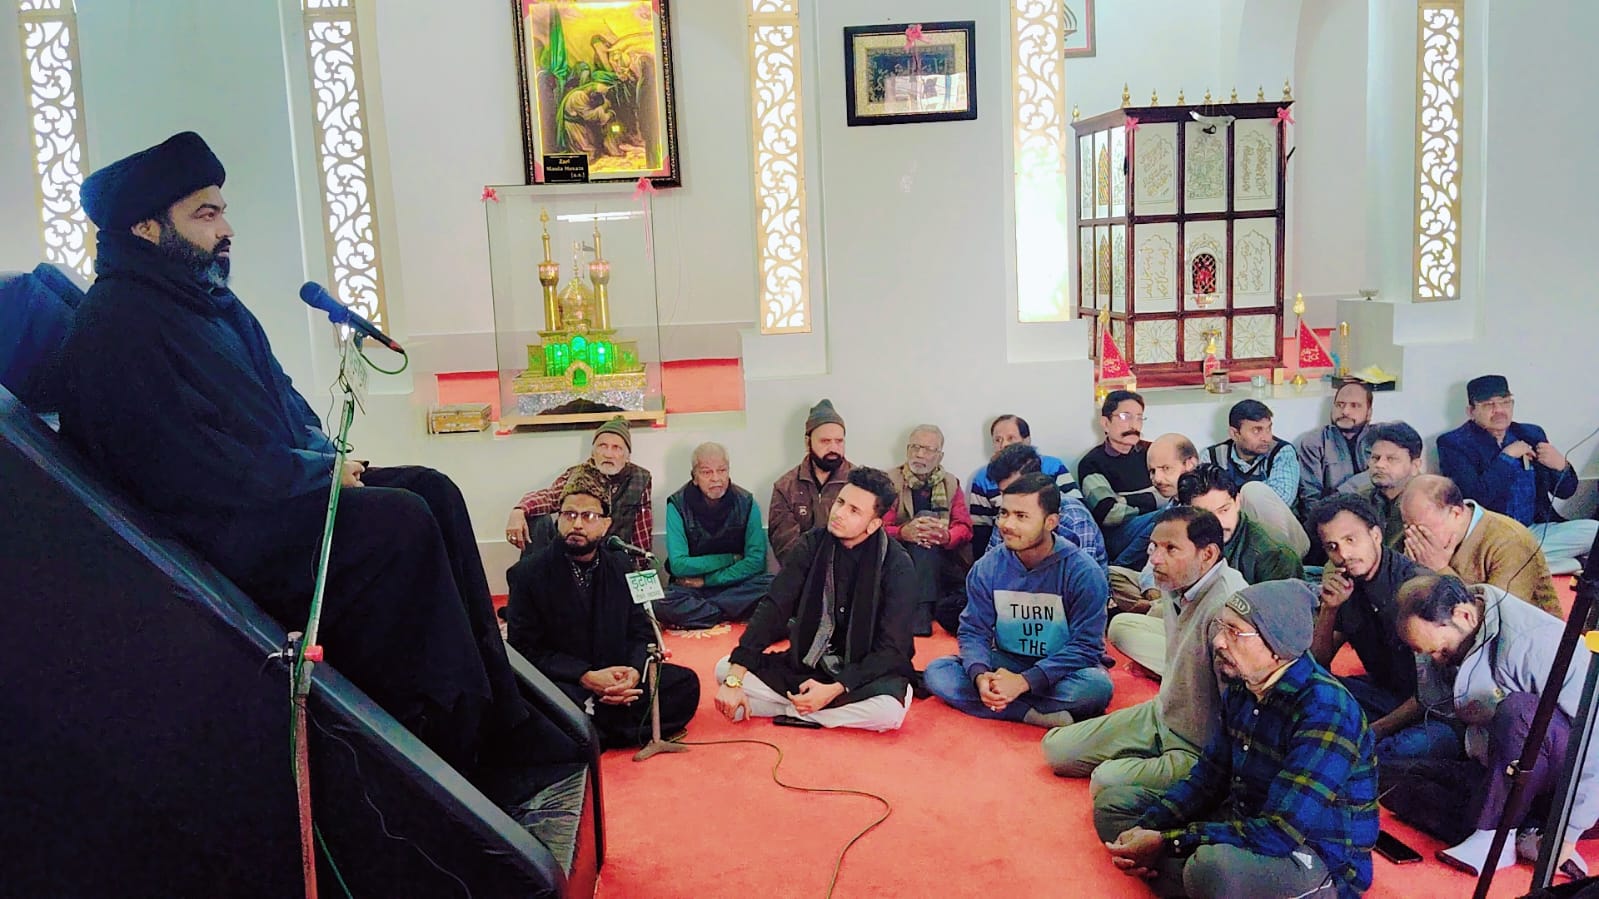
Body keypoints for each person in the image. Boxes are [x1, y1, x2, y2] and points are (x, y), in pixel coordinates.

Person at [59, 132, 537, 773]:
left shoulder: (209, 302)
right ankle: (440, 735)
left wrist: (332, 461)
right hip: (219, 534)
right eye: (205, 214)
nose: (226, 230)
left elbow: (284, 401)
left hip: (271, 499)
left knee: (433, 489)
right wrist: (315, 475)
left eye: (222, 211)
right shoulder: (120, 324)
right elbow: (188, 463)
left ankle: (499, 713)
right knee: (398, 523)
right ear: (145, 227)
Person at [1095, 580, 1378, 899]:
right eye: (1222, 627)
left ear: (1278, 646)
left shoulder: (1326, 710)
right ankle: (1185, 877)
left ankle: (1183, 875)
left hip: (1311, 853)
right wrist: (1149, 828)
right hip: (1246, 819)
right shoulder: (1244, 684)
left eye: (1235, 632)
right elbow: (1208, 778)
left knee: (1210, 868)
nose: (1219, 641)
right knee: (1114, 807)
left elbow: (1280, 831)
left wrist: (1169, 841)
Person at [1384, 574, 1592, 879]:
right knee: (1393, 777)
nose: (1437, 659)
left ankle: (1497, 834)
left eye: (1441, 651)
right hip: (1507, 772)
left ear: (1464, 616)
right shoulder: (1460, 630)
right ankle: (1525, 832)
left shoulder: (1531, 641)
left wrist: (1568, 833)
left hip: (1578, 784)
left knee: (1519, 711)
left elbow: (1593, 741)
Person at [1044, 508, 1248, 792]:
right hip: (1163, 714)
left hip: (1199, 747)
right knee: (1056, 749)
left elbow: (1241, 712)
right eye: (1154, 546)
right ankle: (1147, 757)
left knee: (1105, 782)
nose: (1155, 559)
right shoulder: (1176, 581)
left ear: (1208, 554)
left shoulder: (1227, 610)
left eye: (1170, 549)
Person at [712, 467, 916, 731]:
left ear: (874, 524)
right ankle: (809, 709)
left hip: (859, 674)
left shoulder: (897, 564)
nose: (839, 513)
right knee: (723, 669)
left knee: (889, 712)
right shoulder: (811, 545)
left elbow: (893, 648)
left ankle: (786, 709)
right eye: (840, 502)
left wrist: (835, 688)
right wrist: (734, 679)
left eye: (854, 510)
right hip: (807, 663)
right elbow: (774, 608)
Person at [505, 475, 700, 748]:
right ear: (558, 519)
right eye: (569, 514)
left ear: (606, 524)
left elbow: (642, 631)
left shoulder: (621, 566)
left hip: (616, 676)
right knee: (533, 700)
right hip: (569, 680)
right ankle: (608, 726)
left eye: (588, 516)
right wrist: (585, 676)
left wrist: (633, 672)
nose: (577, 524)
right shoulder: (528, 574)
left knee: (684, 684)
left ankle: (592, 730)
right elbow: (524, 650)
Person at [923, 473, 1112, 728]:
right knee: (938, 673)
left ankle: (1006, 702)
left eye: (1021, 516)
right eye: (1004, 513)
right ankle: (1032, 714)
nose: (1007, 524)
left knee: (1096, 687)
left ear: (1050, 522)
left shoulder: (1083, 572)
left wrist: (1025, 682)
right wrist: (980, 676)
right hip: (1006, 662)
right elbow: (974, 630)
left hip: (1060, 669)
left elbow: (1086, 646)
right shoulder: (987, 567)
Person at [1307, 494, 1459, 761]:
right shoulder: (1346, 584)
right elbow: (1318, 663)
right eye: (1332, 547)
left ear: (1375, 535)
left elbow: (1431, 693)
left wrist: (1374, 732)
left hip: (1435, 711)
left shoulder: (1417, 588)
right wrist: (1330, 609)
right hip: (1383, 694)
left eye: (1351, 540)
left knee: (1392, 751)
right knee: (1309, 691)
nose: (1344, 555)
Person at [1437, 374, 1597, 574]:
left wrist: (1560, 465)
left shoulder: (1530, 433)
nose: (1499, 410)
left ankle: (1525, 565)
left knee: (1594, 531)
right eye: (1489, 405)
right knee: (1498, 554)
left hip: (1535, 530)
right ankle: (1557, 564)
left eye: (1505, 402)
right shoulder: (1454, 443)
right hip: (1492, 537)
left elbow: (1566, 491)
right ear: (1471, 411)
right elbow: (1474, 497)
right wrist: (1506, 458)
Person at [653, 442, 776, 630]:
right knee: (660, 603)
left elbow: (756, 561)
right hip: (691, 588)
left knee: (774, 585)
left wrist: (707, 580)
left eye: (722, 470)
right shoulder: (677, 505)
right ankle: (732, 610)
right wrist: (730, 559)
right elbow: (679, 565)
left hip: (736, 584)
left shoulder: (747, 502)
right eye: (706, 472)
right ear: (694, 477)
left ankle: (708, 613)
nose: (716, 479)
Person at [1399, 474, 1562, 615]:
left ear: (1455, 513)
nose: (1412, 535)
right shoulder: (1424, 538)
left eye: (1421, 528)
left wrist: (1440, 569)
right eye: (1407, 525)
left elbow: (1499, 616)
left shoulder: (1509, 541)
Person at [506, 416, 653, 559]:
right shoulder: (578, 474)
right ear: (593, 452)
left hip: (612, 558)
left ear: (627, 456)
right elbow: (549, 497)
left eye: (616, 448)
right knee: (538, 520)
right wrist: (519, 510)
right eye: (602, 446)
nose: (608, 454)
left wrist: (641, 568)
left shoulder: (640, 478)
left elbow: (642, 532)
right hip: (572, 552)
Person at [1149, 433, 1310, 559]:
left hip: (1279, 546)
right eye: (1152, 471)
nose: (1157, 478)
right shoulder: (1170, 512)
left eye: (1166, 468)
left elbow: (1285, 497)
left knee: (1253, 491)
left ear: (1190, 464)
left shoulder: (1241, 496)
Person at [880, 424, 974, 636]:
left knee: (926, 525)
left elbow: (965, 527)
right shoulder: (890, 481)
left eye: (928, 449)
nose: (920, 454)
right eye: (915, 447)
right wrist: (904, 532)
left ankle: (922, 611)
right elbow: (877, 526)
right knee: (924, 522)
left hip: (942, 559)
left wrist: (946, 536)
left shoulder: (951, 483)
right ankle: (922, 612)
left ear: (940, 456)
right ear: (907, 450)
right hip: (900, 558)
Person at [968, 413, 1081, 554]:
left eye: (1011, 438)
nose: (1004, 445)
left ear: (1026, 440)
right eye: (998, 440)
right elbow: (983, 537)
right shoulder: (1003, 514)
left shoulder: (1054, 468)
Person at [984, 442, 1106, 571]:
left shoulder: (1073, 516)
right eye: (1004, 493)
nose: (1009, 499)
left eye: (1015, 491)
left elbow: (1083, 574)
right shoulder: (1006, 514)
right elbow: (989, 567)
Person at [1176, 464, 1304, 585]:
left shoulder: (1273, 554)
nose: (1218, 523)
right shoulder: (1181, 538)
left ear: (1237, 502)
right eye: (1205, 516)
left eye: (1224, 510)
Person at [1079, 390, 1161, 568]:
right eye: (1125, 416)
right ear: (1105, 423)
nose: (1134, 425)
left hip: (1153, 528)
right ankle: (1119, 568)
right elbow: (1109, 513)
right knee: (1168, 516)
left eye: (1139, 418)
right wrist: (1156, 498)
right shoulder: (1092, 462)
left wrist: (1123, 499)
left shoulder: (1153, 451)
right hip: (1119, 535)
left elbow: (1180, 491)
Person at [768, 398, 852, 563]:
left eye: (839, 441)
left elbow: (863, 539)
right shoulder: (785, 487)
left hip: (849, 571)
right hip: (803, 572)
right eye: (825, 441)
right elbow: (785, 546)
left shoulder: (858, 484)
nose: (833, 448)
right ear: (808, 443)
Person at [1204, 399, 1302, 511]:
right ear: (1235, 434)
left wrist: (1227, 502)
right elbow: (1205, 502)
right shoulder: (1212, 456)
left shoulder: (1282, 452)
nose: (1267, 438)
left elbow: (1280, 502)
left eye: (1268, 429)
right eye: (1256, 431)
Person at [1341, 420, 1424, 549]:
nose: (1379, 465)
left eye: (1391, 459)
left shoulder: (1428, 503)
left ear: (1415, 466)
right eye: (1375, 458)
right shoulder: (1361, 499)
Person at [1296, 380, 1375, 510]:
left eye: (1355, 406)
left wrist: (1341, 492)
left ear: (1369, 413)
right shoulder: (1314, 443)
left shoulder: (1381, 439)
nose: (1345, 411)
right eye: (1339, 405)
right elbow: (1310, 499)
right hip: (1330, 516)